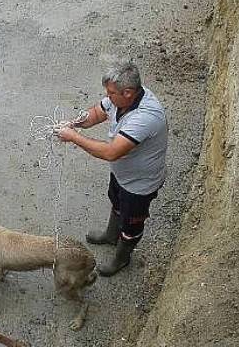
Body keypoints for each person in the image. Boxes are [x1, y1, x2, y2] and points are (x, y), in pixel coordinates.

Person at [57, 60, 167, 276]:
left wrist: (73, 137)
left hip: (139, 185)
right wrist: (74, 124)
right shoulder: (122, 99)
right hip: (122, 174)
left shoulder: (145, 117)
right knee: (116, 202)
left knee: (131, 224)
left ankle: (121, 259)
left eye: (111, 93)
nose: (108, 97)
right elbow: (98, 112)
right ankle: (110, 235)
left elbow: (111, 152)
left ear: (127, 93)